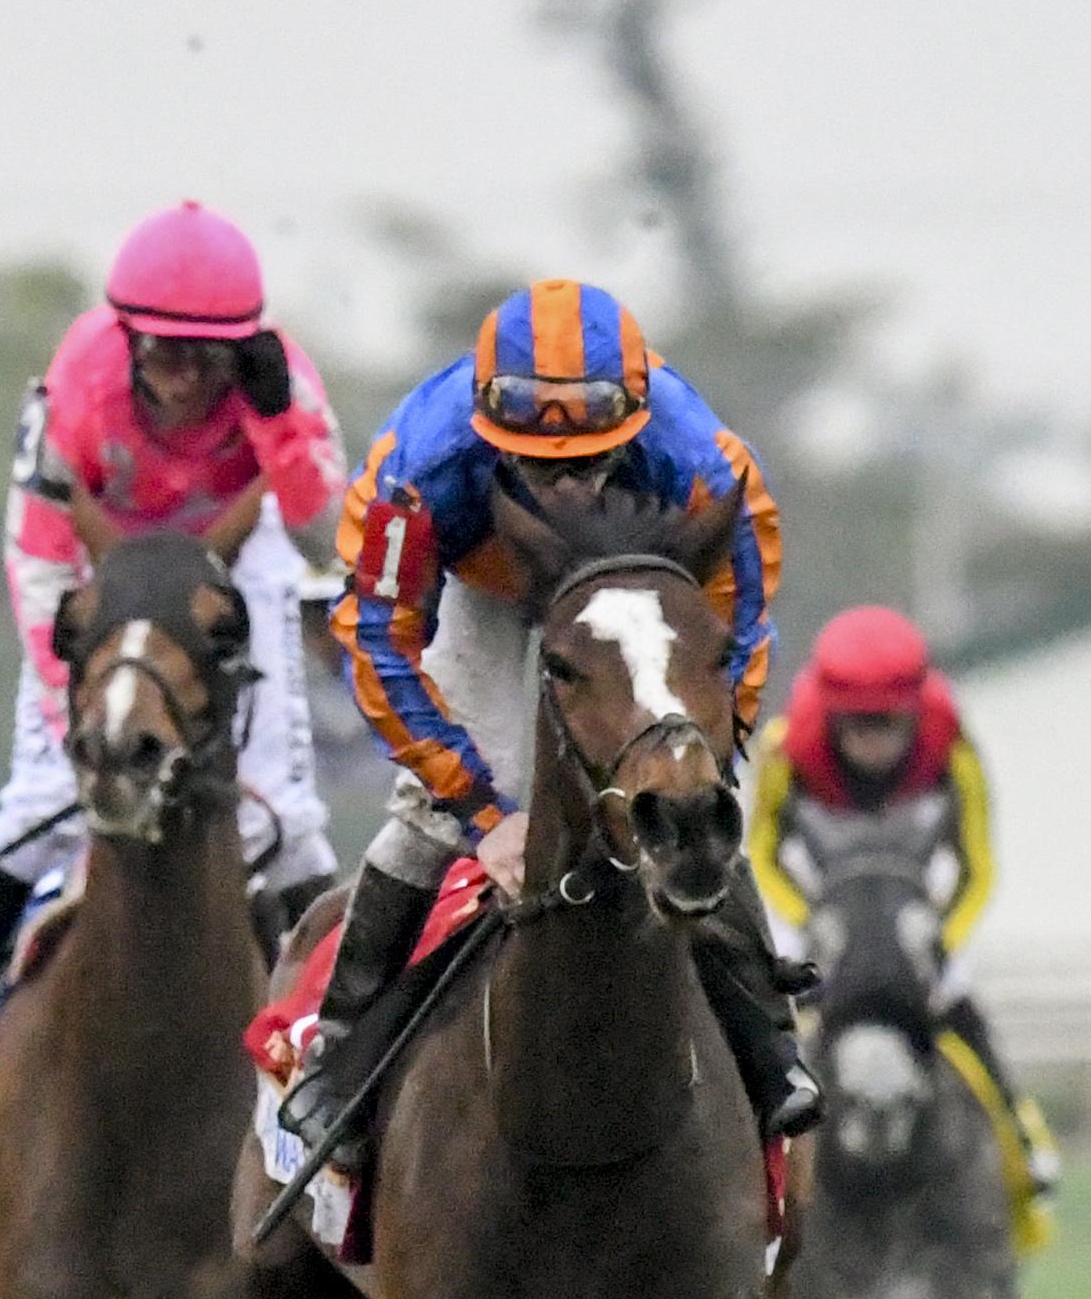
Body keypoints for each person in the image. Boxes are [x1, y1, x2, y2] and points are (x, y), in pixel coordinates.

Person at [283, 277, 816, 1151]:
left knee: (691, 798)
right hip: (484, 588)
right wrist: (481, 814)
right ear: (490, 432)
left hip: (637, 585)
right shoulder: (417, 467)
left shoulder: (705, 464)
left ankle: (771, 1045)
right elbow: (375, 637)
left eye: (587, 463)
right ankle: (341, 1050)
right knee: (431, 813)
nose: (564, 486)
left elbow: (742, 620)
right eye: (535, 463)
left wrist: (705, 754)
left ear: (635, 426)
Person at [0, 200, 347, 1087]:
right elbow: (37, 549)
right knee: (39, 798)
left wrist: (273, 421)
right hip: (101, 554)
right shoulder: (80, 384)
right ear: (129, 336)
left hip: (233, 551)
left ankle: (339, 1019)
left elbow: (314, 519)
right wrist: (73, 683)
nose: (184, 378)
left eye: (208, 357)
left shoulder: (279, 379)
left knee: (286, 811)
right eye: (165, 352)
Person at [750, 602, 1058, 1202]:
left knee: (963, 1012)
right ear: (830, 716)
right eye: (856, 725)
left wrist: (943, 937)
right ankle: (760, 1161)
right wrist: (807, 923)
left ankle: (1025, 1141)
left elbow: (977, 866)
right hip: (822, 918)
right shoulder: (786, 750)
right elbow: (763, 853)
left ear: (915, 713)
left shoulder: (956, 750)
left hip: (917, 919)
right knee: (773, 1021)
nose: (872, 742)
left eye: (887, 724)